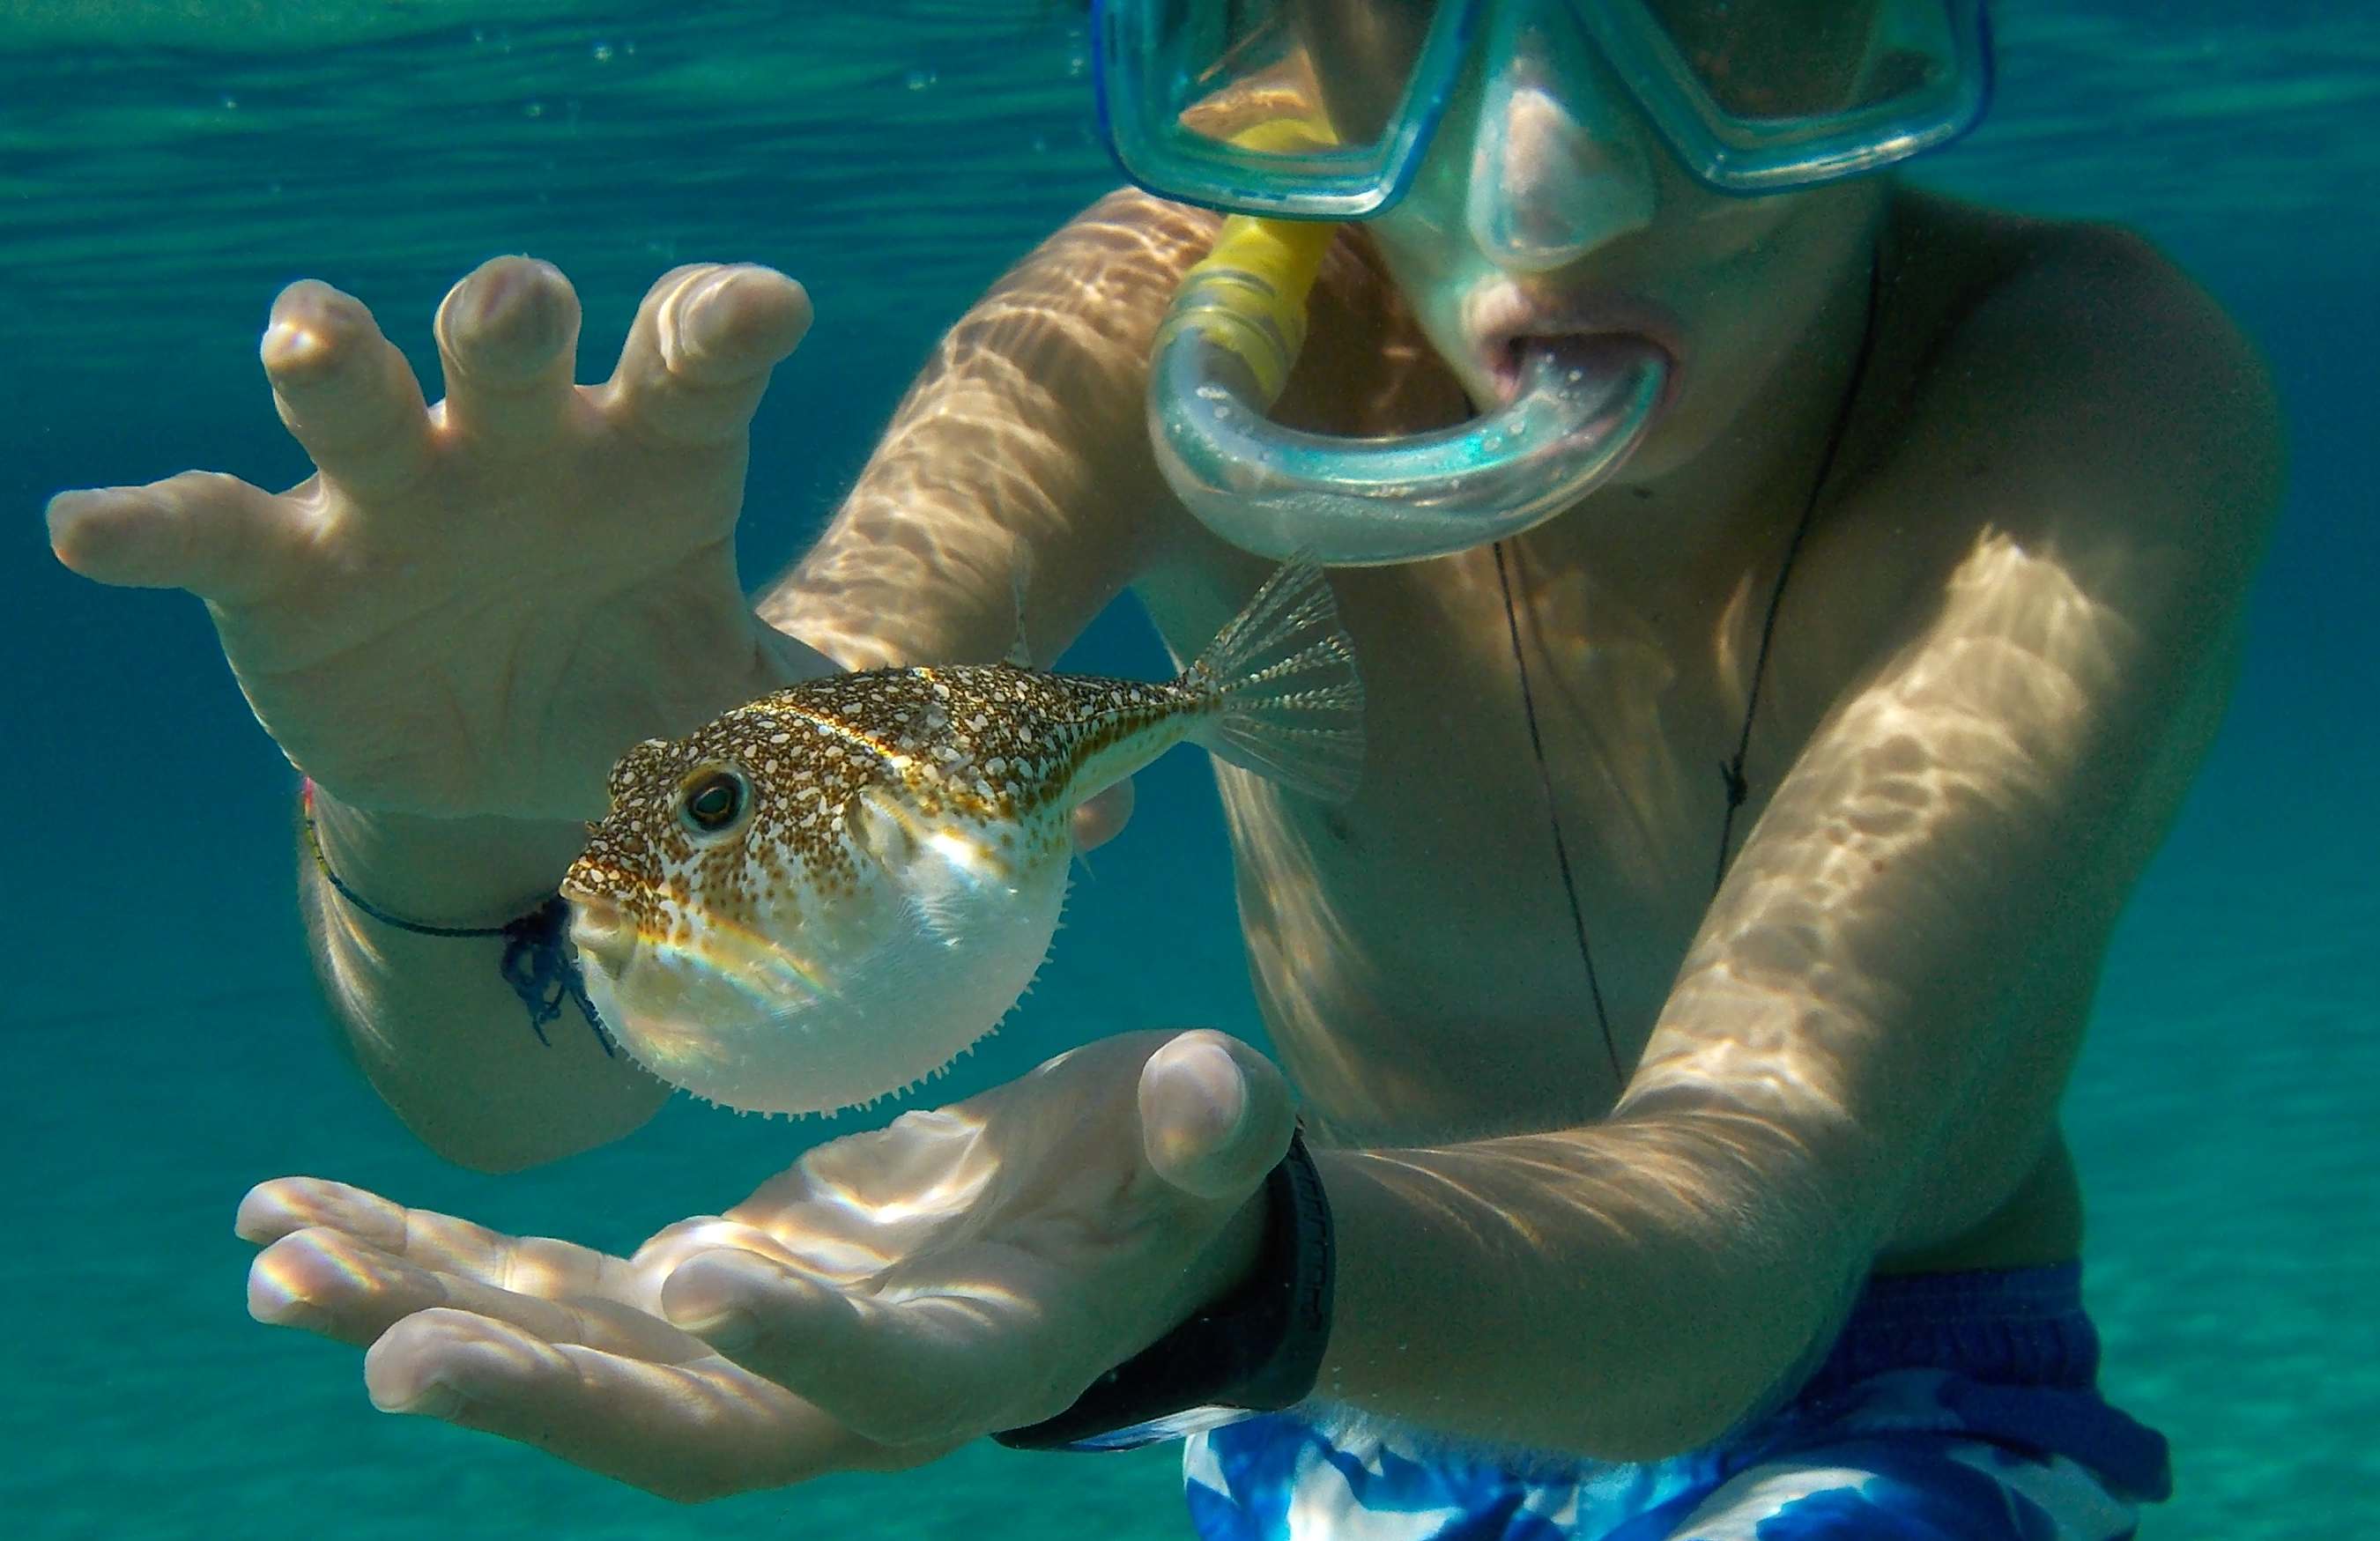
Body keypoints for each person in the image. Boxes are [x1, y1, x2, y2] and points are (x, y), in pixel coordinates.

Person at [48, 0, 2280, 1534]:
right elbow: (560, 1068)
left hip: (1858, 1360)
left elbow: (1744, 1219)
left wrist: (1212, 1290)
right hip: (1311, 1347)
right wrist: (451, 828)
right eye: (1385, 4)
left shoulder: (2071, 407)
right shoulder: (1134, 333)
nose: (1557, 175)